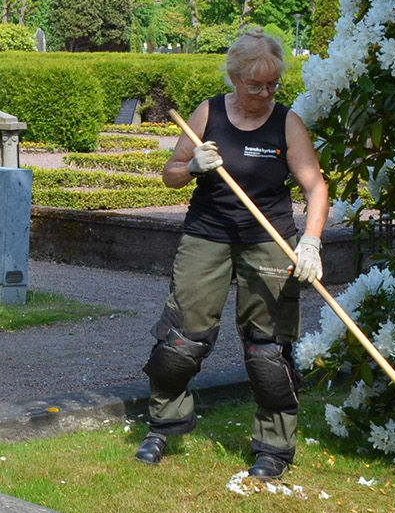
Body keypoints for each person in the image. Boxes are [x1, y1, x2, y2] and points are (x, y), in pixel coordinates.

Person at [136, 27, 329, 481]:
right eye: (255, 84)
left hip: (269, 239)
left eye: (273, 84)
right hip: (207, 234)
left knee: (268, 349)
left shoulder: (287, 123)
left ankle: (274, 447)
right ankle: (166, 423)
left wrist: (312, 241)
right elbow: (171, 175)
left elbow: (316, 187)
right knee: (182, 339)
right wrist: (192, 166)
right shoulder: (208, 114)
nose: (265, 93)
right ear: (235, 77)